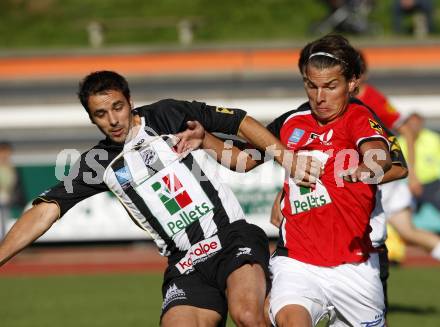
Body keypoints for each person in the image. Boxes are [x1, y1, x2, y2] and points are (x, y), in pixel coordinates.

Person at [0, 71, 318, 327]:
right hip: (185, 263)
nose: (112, 119)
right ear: (92, 119)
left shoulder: (166, 115)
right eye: (101, 114)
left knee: (248, 315)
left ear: (130, 102)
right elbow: (46, 210)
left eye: (117, 107)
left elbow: (238, 121)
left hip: (231, 238)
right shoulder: (98, 162)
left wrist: (286, 159)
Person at [266, 34, 392, 327]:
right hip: (299, 256)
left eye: (330, 86)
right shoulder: (293, 120)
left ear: (352, 83)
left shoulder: (362, 116)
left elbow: (392, 162)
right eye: (312, 85)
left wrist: (363, 169)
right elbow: (249, 153)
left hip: (358, 253)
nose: (319, 96)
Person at [357, 52, 440, 262]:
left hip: (382, 180)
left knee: (404, 232)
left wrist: (411, 172)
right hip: (364, 178)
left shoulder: (372, 98)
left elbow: (407, 131)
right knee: (404, 231)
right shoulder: (338, 100)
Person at [400, 113, 440, 217]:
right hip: (408, 185)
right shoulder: (399, 142)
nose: (414, 126)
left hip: (432, 183)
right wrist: (411, 181)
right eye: (411, 124)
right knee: (403, 213)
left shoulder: (433, 139)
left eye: (417, 124)